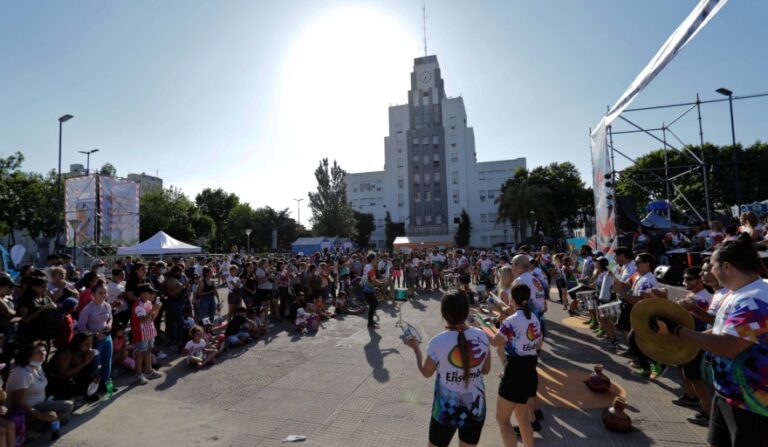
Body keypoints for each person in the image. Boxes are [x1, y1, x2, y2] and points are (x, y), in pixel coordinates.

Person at [656, 235, 768, 446]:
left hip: (752, 404)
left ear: (727, 267)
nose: (709, 271)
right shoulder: (737, 294)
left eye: (713, 265)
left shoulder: (755, 299)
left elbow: (728, 346)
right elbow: (719, 331)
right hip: (727, 393)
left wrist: (679, 331)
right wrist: (677, 337)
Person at [405, 292, 491, 447]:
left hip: (446, 409)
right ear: (467, 311)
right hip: (475, 407)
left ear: (443, 314)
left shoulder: (438, 342)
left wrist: (416, 349)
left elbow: (426, 372)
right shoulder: (482, 336)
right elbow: (486, 370)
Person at [492, 284, 543, 447]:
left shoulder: (511, 321)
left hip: (515, 372)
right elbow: (539, 344)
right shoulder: (534, 318)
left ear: (512, 299)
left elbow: (496, 342)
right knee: (522, 418)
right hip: (530, 370)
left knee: (502, 420)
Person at [674, 267, 713, 427]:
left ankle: (708, 413)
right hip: (688, 338)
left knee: (696, 377)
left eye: (689, 279)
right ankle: (691, 396)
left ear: (699, 280)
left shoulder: (703, 298)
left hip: (697, 341)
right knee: (685, 371)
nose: (685, 282)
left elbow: (702, 321)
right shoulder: (694, 295)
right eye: (684, 279)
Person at [7, 343, 73, 437]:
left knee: (65, 415)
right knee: (67, 408)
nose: (43, 354)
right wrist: (40, 414)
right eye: (38, 352)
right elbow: (17, 402)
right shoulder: (22, 373)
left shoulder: (38, 366)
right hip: (28, 410)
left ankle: (40, 423)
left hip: (40, 404)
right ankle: (31, 425)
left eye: (44, 351)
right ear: (28, 355)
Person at [619, 252, 663, 379]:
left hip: (646, 315)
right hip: (639, 314)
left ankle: (654, 365)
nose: (636, 265)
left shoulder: (648, 280)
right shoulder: (640, 276)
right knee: (636, 342)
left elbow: (640, 300)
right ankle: (648, 367)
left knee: (634, 341)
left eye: (638, 262)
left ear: (647, 264)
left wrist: (623, 294)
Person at [77, 280, 114, 392]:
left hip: (107, 337)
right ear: (93, 294)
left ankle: (105, 385)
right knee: (95, 364)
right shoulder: (87, 309)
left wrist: (109, 324)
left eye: (104, 293)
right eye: (100, 293)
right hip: (94, 341)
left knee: (107, 362)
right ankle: (93, 389)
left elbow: (110, 318)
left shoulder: (107, 305)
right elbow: (81, 328)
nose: (103, 295)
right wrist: (95, 334)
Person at [46, 333, 101, 402]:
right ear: (78, 344)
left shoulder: (85, 352)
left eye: (91, 343)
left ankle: (86, 394)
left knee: (93, 377)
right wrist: (83, 363)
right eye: (86, 344)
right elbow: (62, 375)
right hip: (57, 381)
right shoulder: (66, 353)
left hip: (73, 378)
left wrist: (94, 378)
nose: (89, 346)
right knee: (68, 385)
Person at [130, 283, 163, 385]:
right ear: (142, 294)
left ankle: (149, 371)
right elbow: (143, 320)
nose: (152, 295)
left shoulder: (148, 303)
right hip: (141, 333)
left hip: (149, 331)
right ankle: (139, 375)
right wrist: (153, 309)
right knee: (140, 353)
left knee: (148, 350)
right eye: (150, 292)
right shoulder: (138, 306)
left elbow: (152, 318)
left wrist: (157, 309)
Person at [361, 253, 385, 329]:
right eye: (376, 258)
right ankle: (370, 323)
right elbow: (373, 281)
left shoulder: (368, 266)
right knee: (374, 304)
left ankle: (371, 321)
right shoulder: (370, 267)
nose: (377, 260)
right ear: (372, 259)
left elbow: (373, 279)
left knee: (373, 304)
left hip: (368, 288)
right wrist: (382, 283)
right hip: (367, 289)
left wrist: (381, 281)